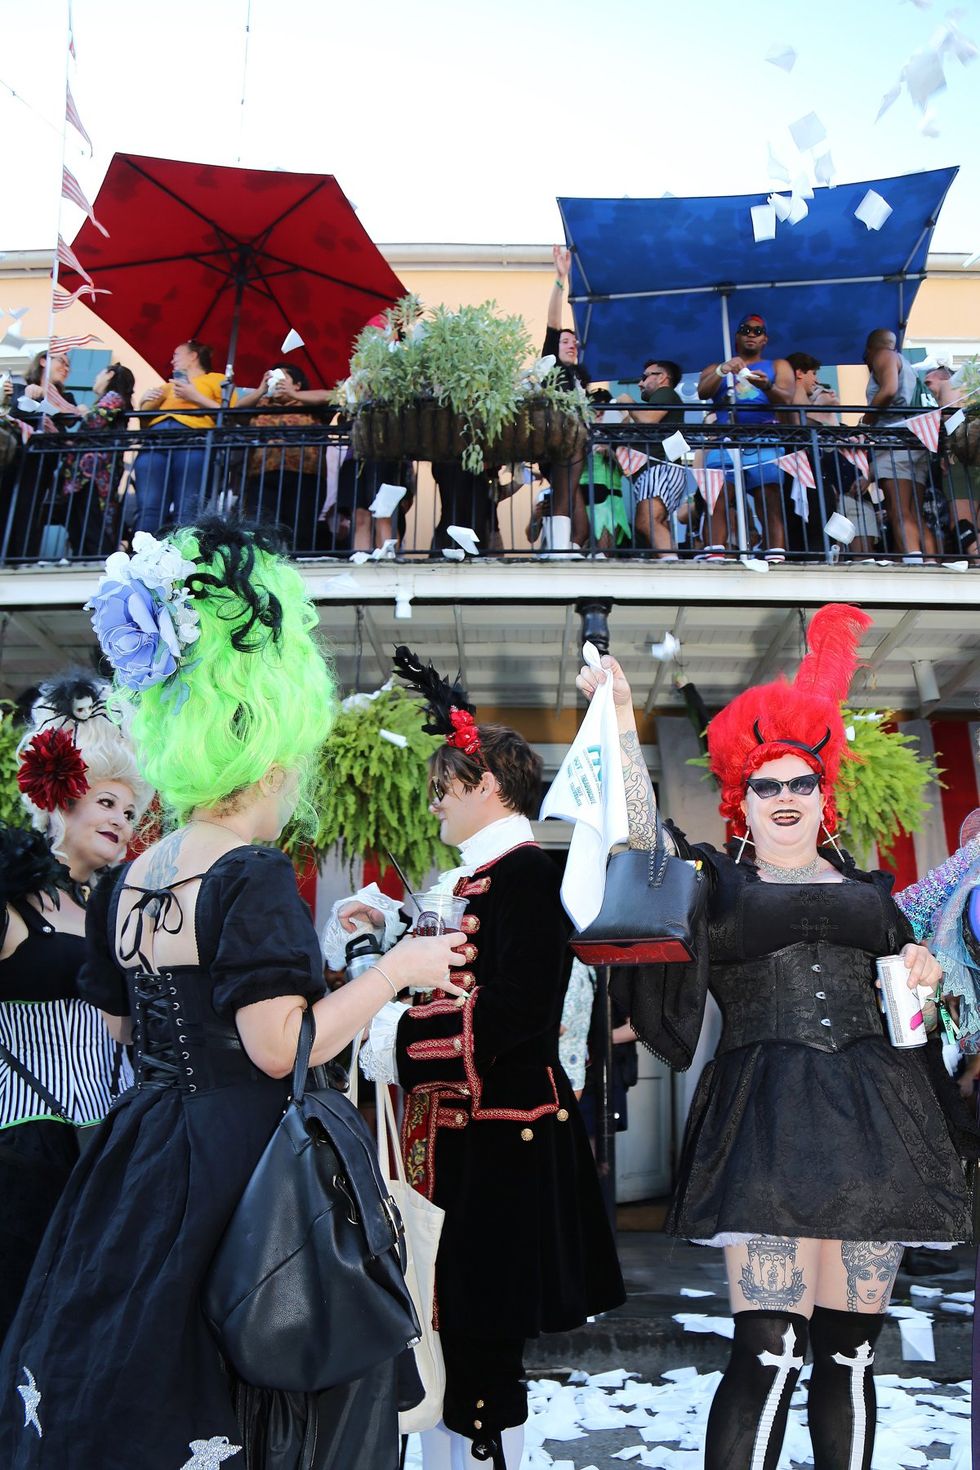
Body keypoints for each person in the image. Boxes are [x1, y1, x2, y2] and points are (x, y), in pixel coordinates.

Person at [0, 520, 466, 1468]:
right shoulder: (248, 872)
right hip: (243, 1165)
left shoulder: (130, 878)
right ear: (274, 750)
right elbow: (278, 1045)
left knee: (133, 1378)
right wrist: (394, 973)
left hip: (141, 1151)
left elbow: (119, 1023)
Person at [576, 603, 970, 1470]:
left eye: (801, 783)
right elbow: (639, 834)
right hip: (768, 1122)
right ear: (741, 800)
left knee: (851, 1355)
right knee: (769, 1352)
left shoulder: (874, 891)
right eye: (767, 785)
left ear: (824, 796)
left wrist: (923, 969)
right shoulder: (713, 883)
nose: (786, 797)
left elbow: (916, 979)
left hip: (879, 1126)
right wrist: (622, 716)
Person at [330, 649, 624, 1470]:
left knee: (481, 1348)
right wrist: (391, 937)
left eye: (443, 789)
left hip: (498, 1145)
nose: (433, 806)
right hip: (454, 1144)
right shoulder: (477, 877)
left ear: (486, 784)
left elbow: (513, 1014)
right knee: (442, 1333)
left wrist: (390, 1037)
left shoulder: (526, 876)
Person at [0, 675, 152, 1343]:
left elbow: (124, 1027)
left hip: (107, 1140)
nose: (122, 820)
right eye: (107, 802)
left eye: (131, 810)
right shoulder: (14, 897)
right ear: (61, 799)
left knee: (81, 1333)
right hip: (20, 1140)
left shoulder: (113, 908)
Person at [697, 314, 794, 560]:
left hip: (764, 439)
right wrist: (722, 370)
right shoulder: (717, 366)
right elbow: (702, 392)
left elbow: (787, 399)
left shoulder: (778, 366)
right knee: (717, 497)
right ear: (737, 336)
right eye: (745, 329)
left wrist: (767, 386)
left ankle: (775, 554)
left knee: (768, 498)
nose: (751, 334)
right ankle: (716, 552)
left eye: (757, 331)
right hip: (725, 441)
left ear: (765, 339)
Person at [135, 340, 232, 532]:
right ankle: (143, 548)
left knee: (187, 509)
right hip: (156, 441)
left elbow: (228, 415)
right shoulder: (168, 386)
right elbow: (144, 421)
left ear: (193, 356)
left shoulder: (217, 380)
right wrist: (143, 403)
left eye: (176, 355)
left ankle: (183, 549)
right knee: (149, 507)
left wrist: (194, 396)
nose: (172, 361)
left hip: (194, 442)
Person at [861, 328, 937, 561]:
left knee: (898, 510)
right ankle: (930, 560)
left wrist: (865, 422)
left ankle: (914, 561)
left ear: (869, 349)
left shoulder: (883, 355)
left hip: (895, 444)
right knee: (914, 511)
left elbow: (889, 390)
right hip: (916, 442)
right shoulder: (906, 365)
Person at [236, 363, 329, 551]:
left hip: (304, 475)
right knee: (261, 527)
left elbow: (330, 396)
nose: (277, 384)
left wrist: (293, 394)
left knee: (301, 526)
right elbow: (237, 411)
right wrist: (261, 390)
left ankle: (301, 562)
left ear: (297, 384)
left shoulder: (309, 405)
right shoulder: (261, 405)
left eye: (283, 379)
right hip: (264, 475)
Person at [57, 363, 135, 556]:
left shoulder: (113, 397)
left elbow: (95, 421)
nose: (95, 378)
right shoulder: (109, 399)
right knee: (80, 522)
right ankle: (85, 558)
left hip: (94, 475)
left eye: (99, 373)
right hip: (85, 475)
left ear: (110, 374)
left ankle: (96, 560)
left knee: (91, 522)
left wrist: (83, 411)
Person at [543, 246, 591, 545]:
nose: (571, 345)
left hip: (575, 443)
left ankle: (565, 546)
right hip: (558, 440)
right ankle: (558, 551)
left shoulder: (579, 378)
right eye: (565, 341)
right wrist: (561, 279)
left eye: (574, 342)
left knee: (580, 523)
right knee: (563, 496)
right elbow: (553, 321)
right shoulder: (552, 366)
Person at [617, 360, 687, 557]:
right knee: (656, 521)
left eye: (645, 377)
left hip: (660, 468)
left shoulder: (665, 393)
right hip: (658, 470)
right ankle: (669, 562)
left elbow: (648, 420)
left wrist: (628, 402)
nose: (640, 383)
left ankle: (672, 565)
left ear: (662, 377)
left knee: (646, 520)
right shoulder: (661, 400)